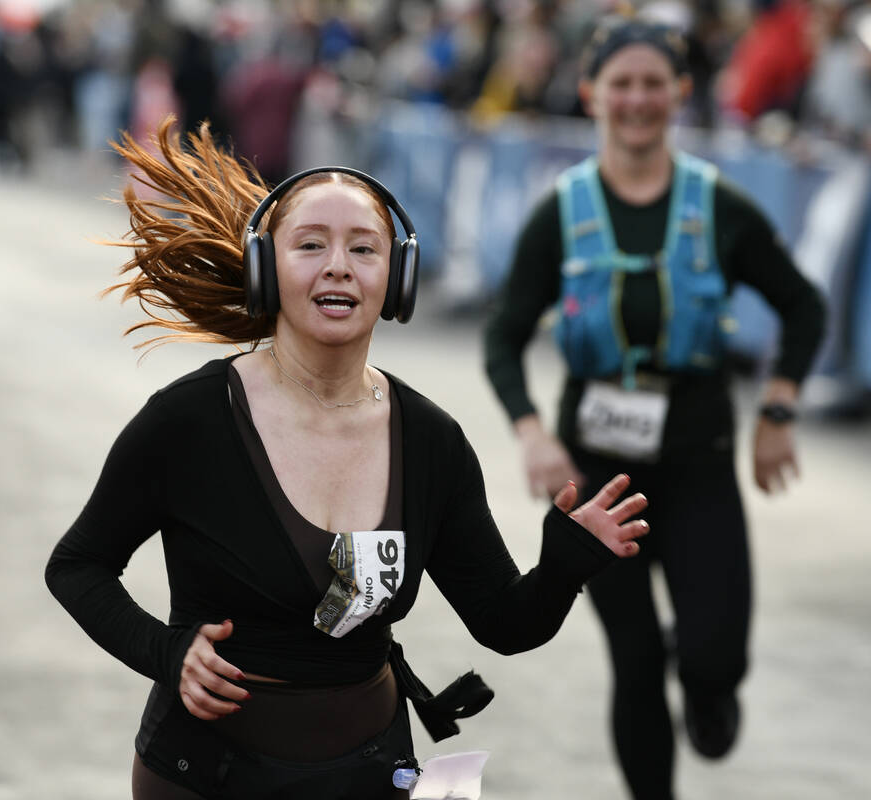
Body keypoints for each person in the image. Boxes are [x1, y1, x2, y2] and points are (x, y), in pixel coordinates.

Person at [45, 116, 651, 800]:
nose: (339, 265)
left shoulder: (430, 440)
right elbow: (77, 566)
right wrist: (166, 653)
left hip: (368, 768)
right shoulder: (188, 421)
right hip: (205, 773)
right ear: (265, 269)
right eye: (310, 245)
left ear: (397, 279)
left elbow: (505, 625)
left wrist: (564, 568)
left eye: (364, 249)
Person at [484, 18, 826, 800]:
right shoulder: (563, 211)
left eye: (652, 84)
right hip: (599, 476)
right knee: (634, 658)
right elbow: (503, 335)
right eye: (620, 84)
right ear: (590, 95)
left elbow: (803, 307)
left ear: (679, 94)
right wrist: (532, 433)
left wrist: (778, 412)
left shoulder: (719, 206)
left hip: (699, 454)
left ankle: (707, 682)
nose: (636, 100)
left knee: (714, 656)